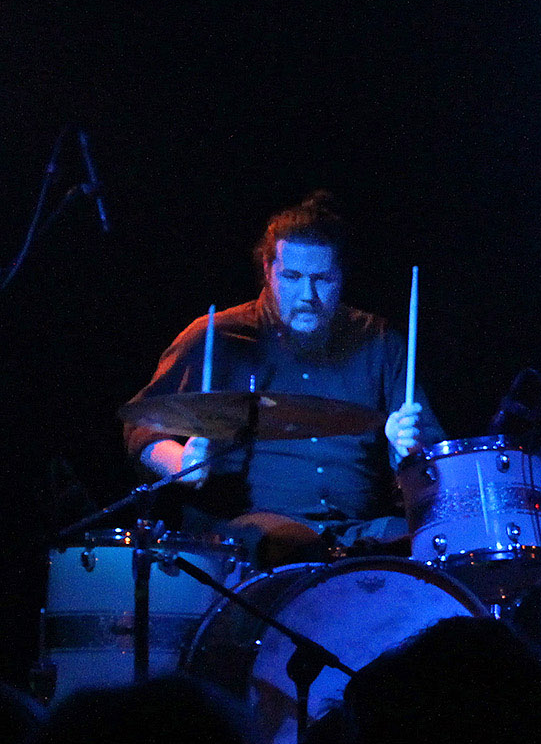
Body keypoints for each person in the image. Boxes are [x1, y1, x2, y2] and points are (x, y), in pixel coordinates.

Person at [123, 190, 437, 566]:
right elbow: (141, 425)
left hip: (359, 532)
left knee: (431, 540)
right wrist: (180, 465)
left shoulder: (379, 340)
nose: (307, 295)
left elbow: (432, 462)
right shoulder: (218, 336)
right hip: (252, 537)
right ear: (268, 271)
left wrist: (408, 451)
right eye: (292, 277)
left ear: (341, 276)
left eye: (322, 279)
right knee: (287, 544)